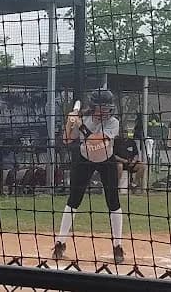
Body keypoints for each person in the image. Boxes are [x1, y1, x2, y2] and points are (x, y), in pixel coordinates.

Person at [52, 89, 125, 263]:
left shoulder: (113, 123)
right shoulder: (84, 119)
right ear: (93, 107)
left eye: (107, 107)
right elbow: (66, 139)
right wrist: (70, 122)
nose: (105, 111)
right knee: (73, 200)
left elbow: (95, 140)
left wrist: (80, 126)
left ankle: (118, 246)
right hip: (84, 159)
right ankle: (60, 242)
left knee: (113, 201)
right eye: (102, 107)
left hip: (106, 160)